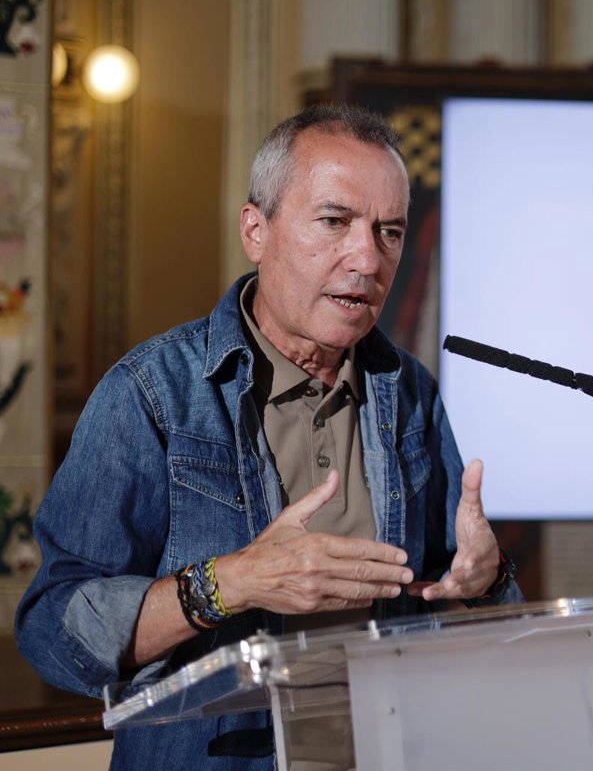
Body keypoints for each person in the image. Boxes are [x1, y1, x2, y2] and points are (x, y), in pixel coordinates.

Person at [15, 104, 520, 770]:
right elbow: (52, 630)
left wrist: (486, 581)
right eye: (335, 221)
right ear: (256, 230)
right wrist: (230, 583)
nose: (367, 258)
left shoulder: (409, 392)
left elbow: (462, 595)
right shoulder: (152, 393)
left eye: (390, 232)